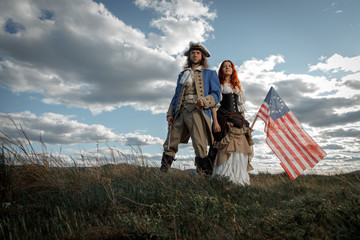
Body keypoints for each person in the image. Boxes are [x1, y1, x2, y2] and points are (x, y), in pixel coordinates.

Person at [160, 42, 221, 174]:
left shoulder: (210, 74)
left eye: (197, 53)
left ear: (202, 56)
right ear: (189, 56)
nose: (195, 55)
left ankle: (204, 176)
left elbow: (216, 94)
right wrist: (170, 113)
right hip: (180, 110)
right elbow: (176, 95)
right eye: (192, 53)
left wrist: (204, 101)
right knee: (170, 142)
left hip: (197, 110)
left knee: (200, 145)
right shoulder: (182, 75)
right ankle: (163, 174)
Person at [210, 60, 254, 185]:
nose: (227, 68)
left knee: (241, 149)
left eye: (229, 66)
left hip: (238, 120)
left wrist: (246, 124)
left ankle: (239, 179)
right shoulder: (219, 85)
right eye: (224, 66)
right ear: (221, 69)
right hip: (224, 118)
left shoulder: (237, 87)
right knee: (226, 148)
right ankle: (224, 178)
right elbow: (214, 105)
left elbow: (241, 108)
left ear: (233, 69)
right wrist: (215, 122)